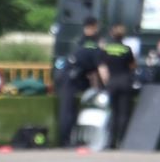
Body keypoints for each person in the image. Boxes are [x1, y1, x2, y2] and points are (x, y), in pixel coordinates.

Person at [56, 17, 102, 147]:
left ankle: (68, 139)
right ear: (94, 27)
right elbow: (96, 71)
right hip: (71, 78)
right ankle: (64, 141)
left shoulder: (79, 41)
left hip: (70, 76)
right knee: (67, 111)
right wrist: (98, 88)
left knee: (70, 110)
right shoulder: (94, 46)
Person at [98, 23, 137, 150]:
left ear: (111, 34)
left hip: (112, 83)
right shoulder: (127, 49)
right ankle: (122, 141)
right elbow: (132, 66)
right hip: (125, 82)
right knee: (124, 113)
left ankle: (110, 141)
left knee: (113, 112)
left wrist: (106, 83)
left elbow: (103, 69)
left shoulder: (106, 49)